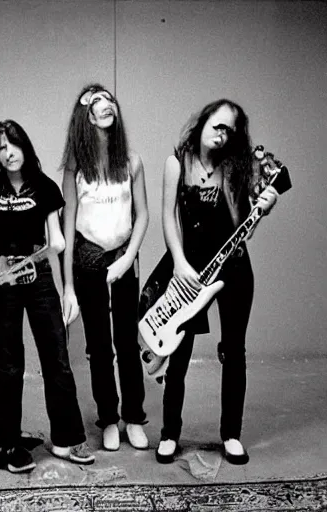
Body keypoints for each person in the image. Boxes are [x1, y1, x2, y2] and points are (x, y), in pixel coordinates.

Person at [146, 99, 278, 465]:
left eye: (229, 131)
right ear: (203, 121)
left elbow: (243, 230)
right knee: (179, 351)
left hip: (233, 269)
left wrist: (263, 208)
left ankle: (231, 434)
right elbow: (168, 217)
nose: (221, 135)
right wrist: (178, 263)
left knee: (234, 351)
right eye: (217, 126)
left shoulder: (237, 167)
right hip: (190, 270)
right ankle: (170, 433)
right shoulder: (177, 162)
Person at [0, 120, 95, 474]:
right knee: (7, 362)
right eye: (1, 148)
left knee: (56, 355)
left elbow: (56, 239)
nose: (9, 153)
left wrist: (58, 250)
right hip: (0, 276)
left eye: (14, 144)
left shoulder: (46, 187)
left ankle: (67, 438)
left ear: (26, 146)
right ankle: (9, 443)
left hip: (38, 275)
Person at [60, 84, 149, 451]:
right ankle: (109, 418)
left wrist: (127, 259)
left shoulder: (131, 161)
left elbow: (142, 215)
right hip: (88, 262)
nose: (106, 105)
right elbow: (66, 229)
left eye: (111, 100)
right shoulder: (75, 168)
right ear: (86, 116)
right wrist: (67, 286)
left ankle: (133, 417)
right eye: (97, 102)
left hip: (124, 260)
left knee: (127, 342)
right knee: (99, 347)